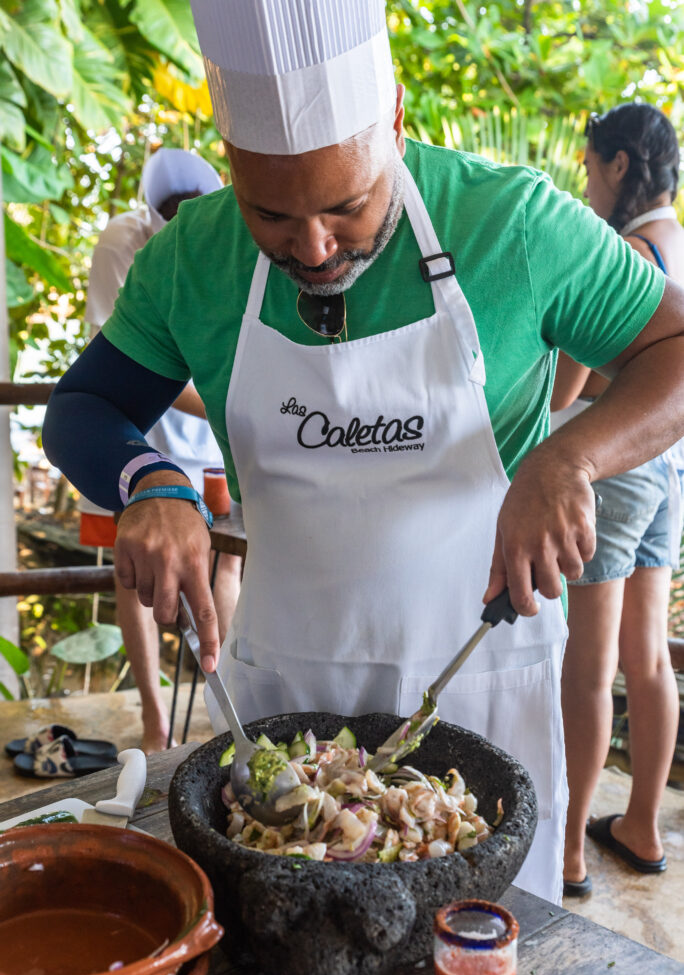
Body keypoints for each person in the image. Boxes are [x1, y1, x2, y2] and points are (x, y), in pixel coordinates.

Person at [42, 1, 684, 904]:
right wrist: (147, 478)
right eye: (272, 213)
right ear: (229, 161)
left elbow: (674, 349)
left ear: (392, 121)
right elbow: (83, 406)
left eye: (347, 206)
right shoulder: (193, 258)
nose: (313, 247)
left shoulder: (515, 224)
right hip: (283, 702)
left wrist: (569, 459)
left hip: (480, 675)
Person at [550, 103, 684, 897]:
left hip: (618, 466)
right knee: (648, 655)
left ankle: (566, 851)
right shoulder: (680, 240)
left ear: (620, 166)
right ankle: (641, 827)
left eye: (591, 166)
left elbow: (567, 383)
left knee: (587, 668)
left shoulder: (623, 251)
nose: (588, 184)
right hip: (670, 469)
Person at [81, 147, 242, 753]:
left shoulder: (231, 235)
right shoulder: (125, 240)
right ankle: (155, 720)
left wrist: (233, 410)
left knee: (226, 560)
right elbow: (115, 352)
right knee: (135, 572)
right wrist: (227, 403)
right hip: (148, 438)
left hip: (217, 435)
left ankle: (224, 713)